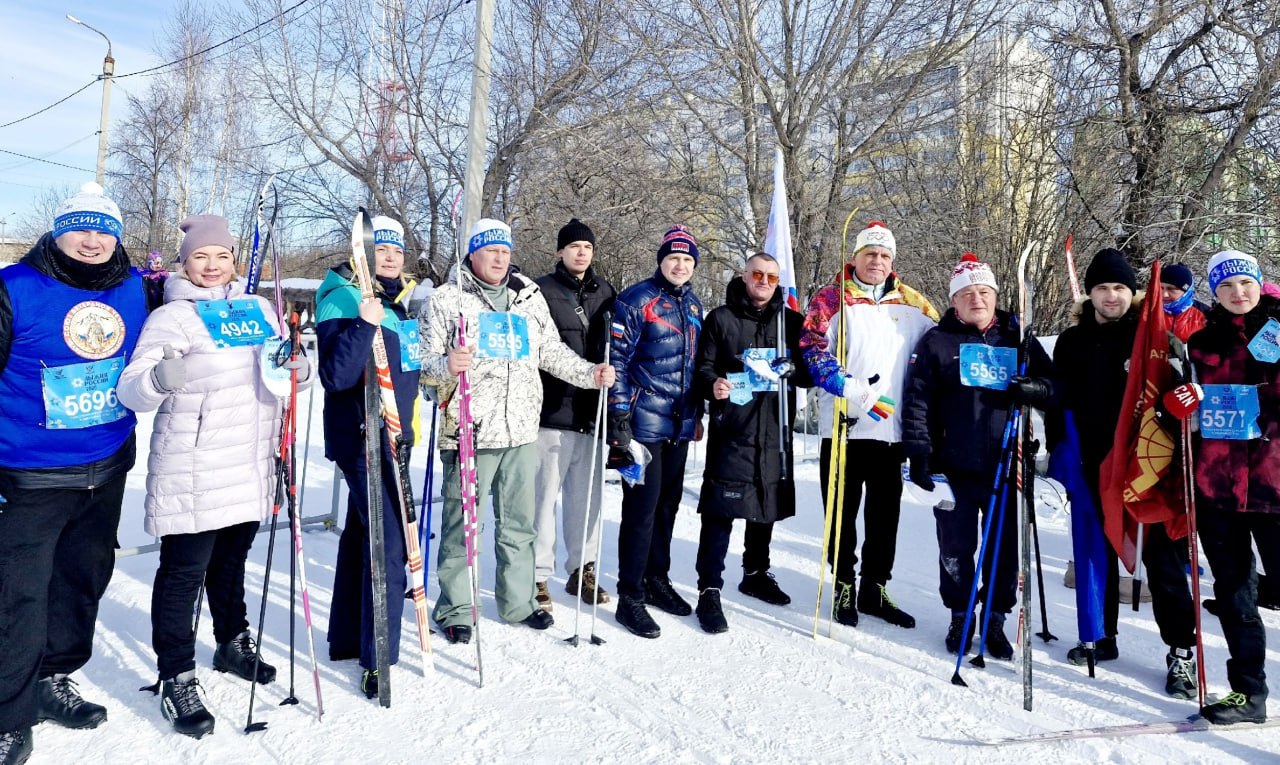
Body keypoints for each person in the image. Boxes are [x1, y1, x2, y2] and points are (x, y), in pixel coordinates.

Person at [117, 215, 313, 737]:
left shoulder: (258, 310)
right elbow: (131, 390)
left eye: (221, 256)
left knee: (231, 563)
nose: (211, 265)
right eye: (200, 257)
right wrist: (159, 377)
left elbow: (284, 372)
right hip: (195, 466)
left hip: (251, 463)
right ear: (184, 263)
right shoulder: (172, 318)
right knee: (184, 574)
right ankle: (176, 674)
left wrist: (300, 370)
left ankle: (232, 641)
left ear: (234, 262)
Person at [0, 183, 148, 764]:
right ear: (57, 233)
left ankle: (52, 679)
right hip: (29, 474)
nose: (92, 240)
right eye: (79, 228)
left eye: (103, 228)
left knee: (82, 582)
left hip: (106, 468)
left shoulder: (137, 289)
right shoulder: (14, 287)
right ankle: (9, 715)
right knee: (18, 596)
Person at [421, 218, 613, 644]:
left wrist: (589, 373)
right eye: (491, 251)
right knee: (463, 525)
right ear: (473, 254)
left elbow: (550, 351)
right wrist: (445, 366)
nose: (500, 259)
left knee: (520, 525)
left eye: (505, 252)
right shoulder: (446, 300)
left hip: (522, 430)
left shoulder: (527, 298)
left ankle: (519, 601)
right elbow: (424, 367)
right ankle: (455, 607)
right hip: (471, 430)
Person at [1051, 248, 1197, 697]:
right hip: (1095, 463)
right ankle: (1100, 635)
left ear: (1131, 293)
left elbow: (1180, 396)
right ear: (1088, 294)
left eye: (1118, 287)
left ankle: (1182, 652)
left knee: (1163, 563)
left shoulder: (1154, 336)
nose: (1110, 296)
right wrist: (1051, 425)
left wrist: (1183, 403)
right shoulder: (1071, 341)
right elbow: (1060, 400)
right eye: (1101, 288)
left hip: (1149, 465)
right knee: (1097, 552)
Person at [901, 253, 1056, 657]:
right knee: (955, 547)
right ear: (954, 302)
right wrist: (920, 455)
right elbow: (916, 402)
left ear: (995, 295)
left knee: (1004, 551)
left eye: (984, 292)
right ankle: (960, 615)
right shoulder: (937, 341)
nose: (977, 299)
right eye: (967, 294)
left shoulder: (1017, 335)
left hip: (1007, 464)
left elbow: (1055, 385)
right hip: (953, 467)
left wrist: (1036, 390)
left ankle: (996, 619)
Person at [799, 220, 938, 629]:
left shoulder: (915, 303)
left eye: (884, 255)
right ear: (855, 257)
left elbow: (941, 345)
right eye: (869, 254)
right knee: (840, 514)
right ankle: (843, 582)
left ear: (892, 260)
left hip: (890, 431)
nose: (876, 261)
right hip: (844, 425)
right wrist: (848, 386)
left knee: (885, 516)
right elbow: (811, 348)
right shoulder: (830, 298)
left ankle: (874, 587)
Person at [317, 215, 421, 698]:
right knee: (389, 546)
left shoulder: (401, 301)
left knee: (363, 536)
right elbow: (336, 376)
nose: (391, 257)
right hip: (361, 438)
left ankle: (346, 638)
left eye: (397, 250)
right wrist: (363, 320)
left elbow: (406, 369)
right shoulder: (341, 295)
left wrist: (444, 368)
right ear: (363, 253)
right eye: (381, 250)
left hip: (394, 438)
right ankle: (380, 656)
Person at [692, 252, 812, 634]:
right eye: (757, 274)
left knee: (766, 503)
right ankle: (709, 587)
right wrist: (714, 383)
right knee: (720, 511)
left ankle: (756, 571)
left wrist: (796, 367)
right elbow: (703, 366)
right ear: (744, 276)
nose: (763, 281)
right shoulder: (721, 319)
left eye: (771, 277)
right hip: (734, 430)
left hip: (774, 428)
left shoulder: (791, 323)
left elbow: (811, 372)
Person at [1185, 249, 1280, 724]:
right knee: (1236, 598)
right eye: (1226, 286)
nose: (1237, 293)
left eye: (1245, 283)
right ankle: (1249, 694)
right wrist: (1177, 406)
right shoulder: (1201, 343)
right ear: (1214, 293)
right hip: (1218, 489)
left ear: (1259, 283)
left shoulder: (1279, 331)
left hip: (1274, 485)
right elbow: (1192, 407)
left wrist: (1262, 406)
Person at [607, 225, 704, 639]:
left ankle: (656, 579)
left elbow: (695, 366)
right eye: (673, 258)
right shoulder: (637, 299)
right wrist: (620, 417)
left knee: (668, 506)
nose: (680, 265)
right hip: (643, 422)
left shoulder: (694, 305)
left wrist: (696, 413)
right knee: (642, 510)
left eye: (687, 260)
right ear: (661, 260)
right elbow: (618, 360)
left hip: (679, 424)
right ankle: (630, 593)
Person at [532, 219, 616, 612]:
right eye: (574, 247)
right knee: (543, 499)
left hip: (591, 414)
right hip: (552, 412)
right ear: (560, 252)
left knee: (586, 501)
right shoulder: (540, 291)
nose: (582, 253)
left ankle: (581, 569)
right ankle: (536, 575)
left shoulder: (606, 293)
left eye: (587, 247)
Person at [1160, 262, 1208, 343]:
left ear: (1186, 291)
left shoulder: (1206, 315)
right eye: (1161, 288)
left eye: (1171, 289)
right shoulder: (1150, 309)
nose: (1164, 294)